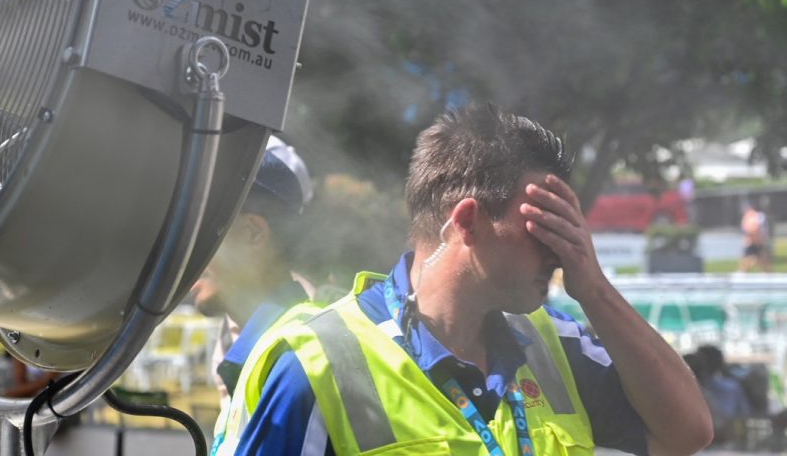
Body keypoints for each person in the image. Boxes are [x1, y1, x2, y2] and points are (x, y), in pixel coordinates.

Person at [216, 104, 713, 455]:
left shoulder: (556, 345)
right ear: (469, 221)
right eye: (544, 226)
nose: (562, 252)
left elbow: (687, 433)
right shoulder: (319, 363)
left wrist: (595, 290)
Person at [190, 135, 317, 410]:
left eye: (199, 231)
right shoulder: (262, 349)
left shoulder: (296, 362)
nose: (186, 253)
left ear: (253, 233)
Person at [740, 201, 771, 272]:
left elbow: (755, 228)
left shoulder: (754, 216)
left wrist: (753, 235)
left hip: (754, 241)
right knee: (758, 258)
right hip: (752, 241)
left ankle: (767, 273)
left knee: (755, 259)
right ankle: (742, 272)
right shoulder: (748, 216)